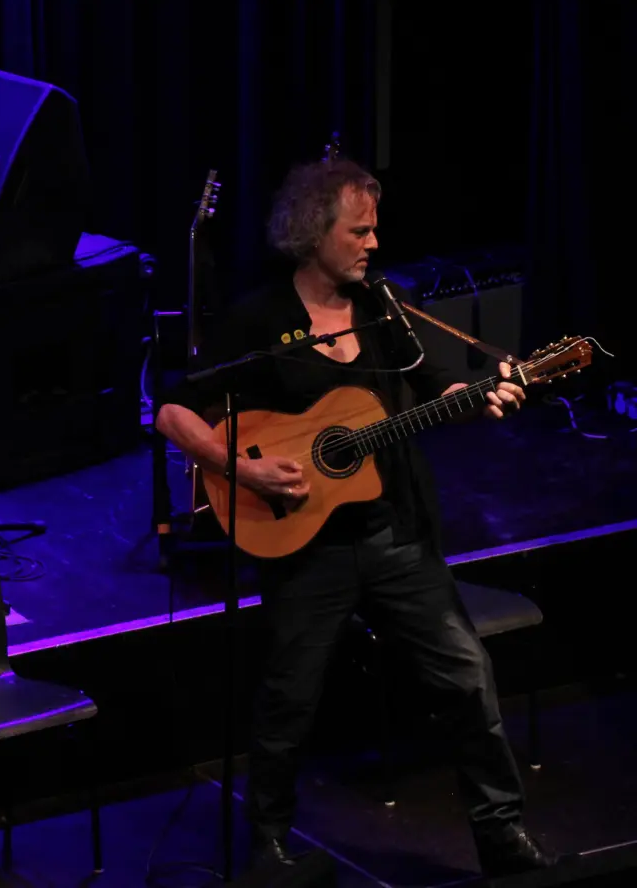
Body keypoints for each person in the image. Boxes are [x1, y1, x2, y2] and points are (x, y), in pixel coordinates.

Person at [156, 157, 556, 877]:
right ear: (314, 233)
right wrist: (239, 466)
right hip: (307, 548)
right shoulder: (262, 319)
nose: (373, 243)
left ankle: (501, 834)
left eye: (375, 229)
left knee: (468, 677)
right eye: (359, 230)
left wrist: (486, 394)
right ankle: (268, 843)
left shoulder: (391, 310)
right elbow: (175, 410)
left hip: (397, 535)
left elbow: (441, 387)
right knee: (288, 700)